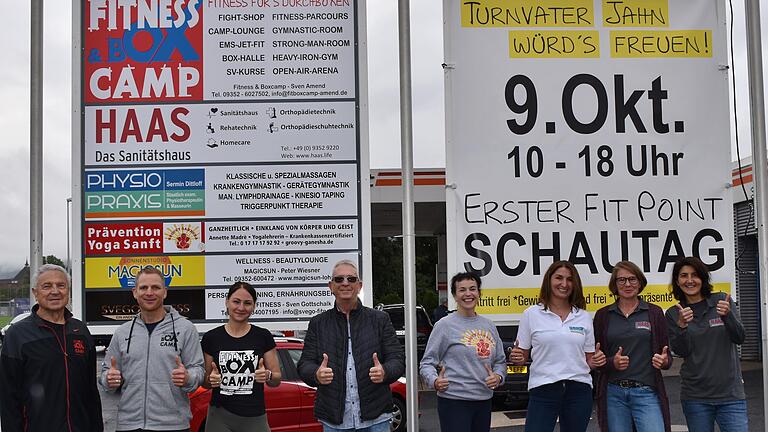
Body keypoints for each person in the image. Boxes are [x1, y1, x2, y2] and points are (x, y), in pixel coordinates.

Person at [297, 259, 405, 432]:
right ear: (331, 286)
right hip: (335, 421)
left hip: (376, 419)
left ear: (359, 285)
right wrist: (316, 374)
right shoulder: (318, 323)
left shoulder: (380, 319)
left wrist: (385, 371)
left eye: (351, 279)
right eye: (339, 279)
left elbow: (398, 359)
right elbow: (304, 365)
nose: (345, 283)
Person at [99, 266, 204, 432]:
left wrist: (188, 377)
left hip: (173, 425)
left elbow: (198, 370)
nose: (149, 292)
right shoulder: (122, 332)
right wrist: (108, 379)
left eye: (156, 287)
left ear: (165, 292)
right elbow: (106, 376)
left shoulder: (185, 328)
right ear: (135, 292)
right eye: (143, 288)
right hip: (129, 425)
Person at [0, 264, 103, 432]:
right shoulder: (17, 335)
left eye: (61, 285)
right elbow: (9, 400)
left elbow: (91, 392)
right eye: (47, 286)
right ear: (35, 292)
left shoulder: (81, 331)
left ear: (68, 290)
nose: (55, 291)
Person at [509, 260, 606, 432]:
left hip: (578, 389)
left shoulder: (583, 316)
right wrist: (517, 358)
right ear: (549, 280)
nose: (564, 284)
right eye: (559, 278)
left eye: (569, 279)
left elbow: (589, 360)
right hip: (543, 388)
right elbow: (521, 357)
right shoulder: (531, 314)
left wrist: (597, 360)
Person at [665, 256, 747, 432]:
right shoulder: (674, 313)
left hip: (730, 395)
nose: (689, 280)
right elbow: (681, 351)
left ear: (702, 278)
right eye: (683, 276)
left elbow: (740, 337)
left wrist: (727, 316)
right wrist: (681, 327)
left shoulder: (722, 301)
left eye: (694, 275)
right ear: (677, 282)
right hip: (695, 397)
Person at [419, 272, 506, 432]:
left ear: (479, 293)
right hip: (454, 402)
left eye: (473, 289)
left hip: (483, 401)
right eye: (462, 290)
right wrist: (434, 381)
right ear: (454, 295)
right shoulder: (444, 326)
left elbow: (500, 361)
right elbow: (427, 363)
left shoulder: (489, 326)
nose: (468, 294)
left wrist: (498, 377)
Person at [593, 261, 672, 432]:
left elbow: (667, 358)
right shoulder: (603, 316)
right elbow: (597, 361)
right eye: (621, 280)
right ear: (614, 284)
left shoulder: (654, 312)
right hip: (614, 394)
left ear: (640, 282)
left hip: (646, 392)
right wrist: (611, 362)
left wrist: (664, 361)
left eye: (632, 279)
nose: (627, 284)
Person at [201, 281, 282, 432]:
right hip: (219, 416)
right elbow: (205, 383)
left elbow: (276, 379)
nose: (241, 308)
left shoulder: (263, 336)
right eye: (236, 301)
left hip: (255, 416)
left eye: (247, 303)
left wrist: (268, 375)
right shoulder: (211, 337)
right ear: (227, 302)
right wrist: (211, 379)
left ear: (254, 306)